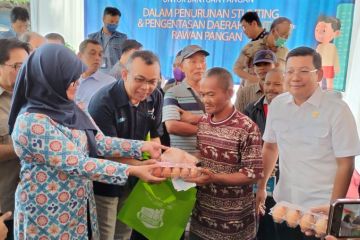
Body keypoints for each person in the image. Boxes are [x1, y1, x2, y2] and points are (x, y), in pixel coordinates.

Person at [7, 44, 166, 239]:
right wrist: (133, 170)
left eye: (77, 79)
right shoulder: (32, 122)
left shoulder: (72, 108)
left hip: (77, 209)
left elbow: (99, 142)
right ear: (50, 79)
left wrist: (142, 146)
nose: (77, 84)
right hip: (46, 217)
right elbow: (78, 164)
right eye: (71, 80)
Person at [257, 46, 360, 240]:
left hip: (320, 210)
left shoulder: (337, 110)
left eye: (304, 71)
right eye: (290, 71)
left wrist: (333, 210)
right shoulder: (278, 105)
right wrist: (261, 187)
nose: (295, 77)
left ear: (319, 74)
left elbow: (346, 164)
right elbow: (270, 147)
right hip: (285, 206)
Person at [88, 50, 163, 240]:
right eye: (140, 79)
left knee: (124, 233)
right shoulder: (103, 102)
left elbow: (155, 136)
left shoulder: (155, 97)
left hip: (134, 180)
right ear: (124, 74)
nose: (146, 87)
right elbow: (105, 150)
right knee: (105, 234)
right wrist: (140, 167)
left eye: (152, 81)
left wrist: (160, 162)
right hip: (106, 181)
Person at [184, 67, 263, 240]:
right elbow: (202, 155)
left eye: (211, 94)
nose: (205, 100)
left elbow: (252, 174)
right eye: (203, 94)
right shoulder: (204, 122)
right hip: (201, 220)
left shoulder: (247, 128)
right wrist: (182, 162)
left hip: (234, 225)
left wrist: (214, 177)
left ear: (229, 93)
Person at [244, 69, 285, 240]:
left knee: (277, 224)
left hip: (283, 178)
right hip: (258, 175)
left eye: (277, 84)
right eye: (268, 83)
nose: (272, 88)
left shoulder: (292, 111)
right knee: (257, 220)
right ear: (262, 85)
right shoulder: (252, 109)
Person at [0, 38, 30, 240]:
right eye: (18, 66)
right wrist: (24, 147)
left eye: (27, 66)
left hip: (31, 203)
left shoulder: (32, 98)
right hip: (4, 205)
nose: (24, 72)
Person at [163, 45, 209, 154]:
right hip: (183, 162)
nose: (199, 66)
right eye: (193, 62)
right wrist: (209, 130)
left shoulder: (213, 92)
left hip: (211, 161)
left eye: (202, 61)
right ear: (182, 67)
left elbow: (224, 123)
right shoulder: (172, 93)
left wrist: (195, 119)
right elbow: (172, 126)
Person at [234, 17, 291, 86]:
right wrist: (254, 80)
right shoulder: (252, 47)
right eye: (283, 34)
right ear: (273, 31)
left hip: (274, 92)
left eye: (288, 36)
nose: (286, 39)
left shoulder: (285, 52)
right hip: (253, 91)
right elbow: (237, 69)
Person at [76, 39, 116, 110]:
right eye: (92, 53)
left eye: (100, 54)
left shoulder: (110, 83)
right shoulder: (69, 79)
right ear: (79, 56)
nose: (97, 58)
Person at [88, 7, 127, 73]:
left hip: (116, 76)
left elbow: (126, 58)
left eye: (116, 22)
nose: (114, 24)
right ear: (103, 19)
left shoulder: (123, 38)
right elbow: (88, 58)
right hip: (97, 75)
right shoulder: (92, 38)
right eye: (111, 21)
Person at [315, 15, 341, 90]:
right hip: (320, 67)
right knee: (319, 81)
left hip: (329, 67)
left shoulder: (332, 47)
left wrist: (336, 68)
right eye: (317, 30)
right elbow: (315, 59)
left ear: (336, 33)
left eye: (324, 31)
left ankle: (330, 93)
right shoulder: (319, 47)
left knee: (329, 82)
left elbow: (335, 58)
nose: (319, 34)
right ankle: (319, 91)